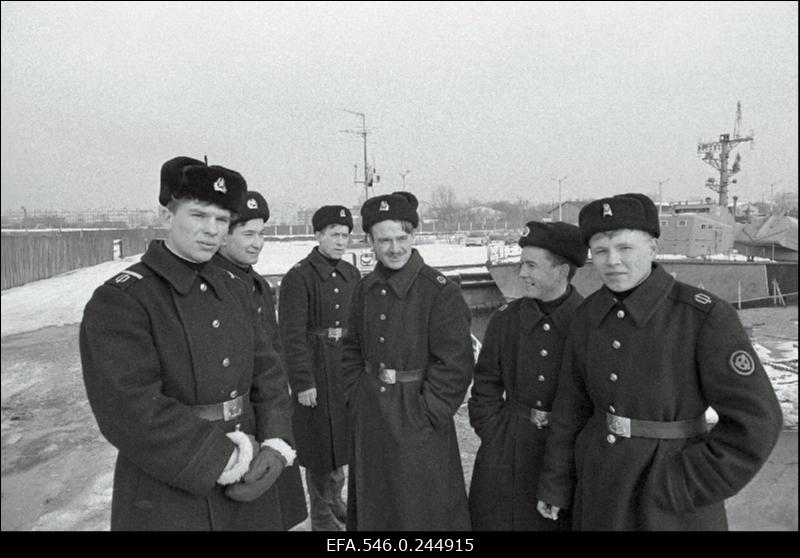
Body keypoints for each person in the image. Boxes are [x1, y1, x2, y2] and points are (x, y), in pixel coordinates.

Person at [536, 193, 783, 530]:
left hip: (671, 498)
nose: (612, 261)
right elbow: (571, 408)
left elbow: (756, 420)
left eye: (625, 248)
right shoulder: (587, 316)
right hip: (599, 487)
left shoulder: (702, 316)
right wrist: (557, 484)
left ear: (652, 249)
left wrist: (686, 482)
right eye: (601, 251)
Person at [80, 156, 296, 530]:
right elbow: (129, 409)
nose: (212, 230)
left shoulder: (235, 287)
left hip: (252, 482)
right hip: (170, 492)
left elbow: (269, 371)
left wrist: (276, 440)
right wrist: (224, 458)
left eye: (222, 220)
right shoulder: (124, 299)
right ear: (167, 216)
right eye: (199, 215)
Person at [341, 191, 474, 531]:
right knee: (376, 506)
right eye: (384, 240)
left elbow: (455, 365)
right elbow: (351, 350)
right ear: (369, 240)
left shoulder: (440, 291)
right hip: (371, 413)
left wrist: (426, 412)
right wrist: (357, 397)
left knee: (423, 509)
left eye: (402, 238)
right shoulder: (364, 288)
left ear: (414, 236)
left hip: (418, 416)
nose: (394, 248)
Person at [468, 221, 587, 531]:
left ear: (561, 271)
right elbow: (485, 388)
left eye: (531, 265)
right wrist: (495, 435)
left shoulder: (591, 324)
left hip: (569, 457)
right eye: (522, 264)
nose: (522, 274)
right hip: (507, 452)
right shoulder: (506, 320)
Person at [212, 190, 308, 530]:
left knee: (280, 510)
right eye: (248, 234)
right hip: (243, 426)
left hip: (271, 417)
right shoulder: (213, 286)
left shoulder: (257, 284)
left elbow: (272, 355)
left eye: (262, 233)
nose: (258, 243)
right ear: (223, 237)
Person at [278, 205, 359, 531]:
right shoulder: (299, 277)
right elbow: (291, 336)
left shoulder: (351, 274)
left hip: (345, 370)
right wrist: (302, 382)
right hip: (316, 370)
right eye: (334, 234)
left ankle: (335, 498)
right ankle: (322, 517)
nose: (341, 241)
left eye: (345, 235)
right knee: (318, 448)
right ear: (318, 235)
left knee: (342, 442)